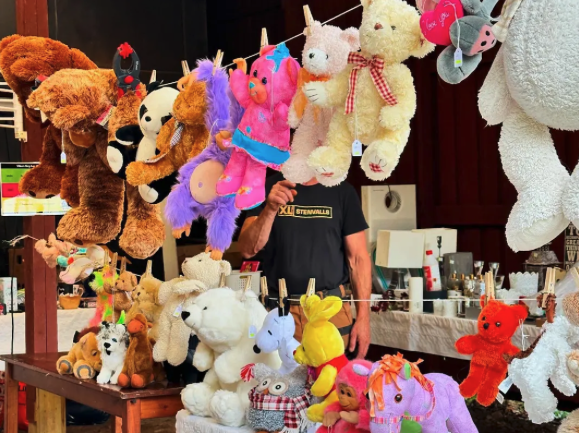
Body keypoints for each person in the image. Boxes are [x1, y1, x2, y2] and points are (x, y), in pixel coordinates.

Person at [238, 172, 372, 358]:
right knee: (279, 376)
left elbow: (358, 259)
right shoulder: (268, 188)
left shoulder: (342, 191)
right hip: (279, 313)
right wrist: (270, 209)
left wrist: (364, 318)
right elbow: (247, 250)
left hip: (329, 311)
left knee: (331, 375)